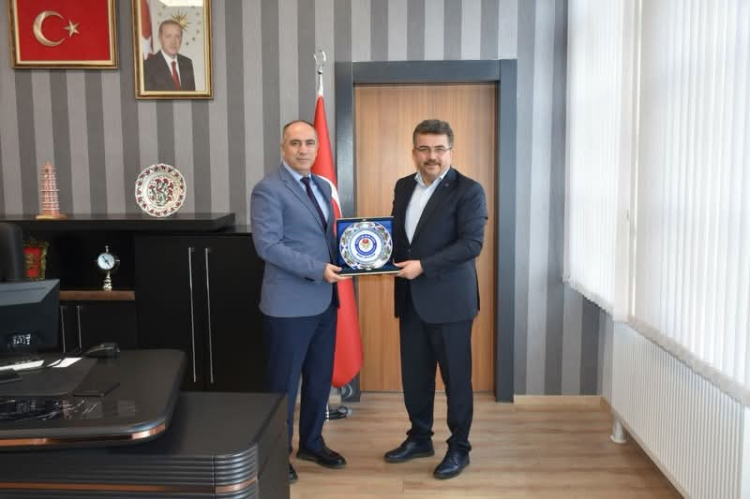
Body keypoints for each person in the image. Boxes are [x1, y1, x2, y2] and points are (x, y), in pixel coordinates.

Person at [385, 119, 488, 480]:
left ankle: (459, 447)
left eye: (439, 149)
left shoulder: (469, 190)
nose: (432, 156)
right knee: (415, 376)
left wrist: (423, 266)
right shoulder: (403, 186)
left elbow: (471, 244)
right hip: (411, 299)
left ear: (451, 151)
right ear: (414, 151)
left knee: (456, 379)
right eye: (424, 148)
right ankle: (419, 438)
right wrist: (376, 258)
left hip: (450, 302)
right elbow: (398, 236)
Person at [250, 120, 349, 484]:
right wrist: (318, 269)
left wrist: (357, 257)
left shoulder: (321, 185)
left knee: (319, 379)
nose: (303, 149)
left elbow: (325, 238)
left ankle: (312, 442)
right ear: (283, 148)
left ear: (318, 148)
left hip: (325, 302)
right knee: (283, 386)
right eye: (295, 143)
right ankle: (277, 453)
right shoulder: (268, 189)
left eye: (309, 142)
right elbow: (268, 246)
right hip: (288, 305)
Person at [143, 20, 196, 91]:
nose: (173, 41)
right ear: (160, 38)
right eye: (168, 36)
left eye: (177, 36)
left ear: (181, 39)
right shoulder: (147, 66)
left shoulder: (187, 63)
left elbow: (192, 95)